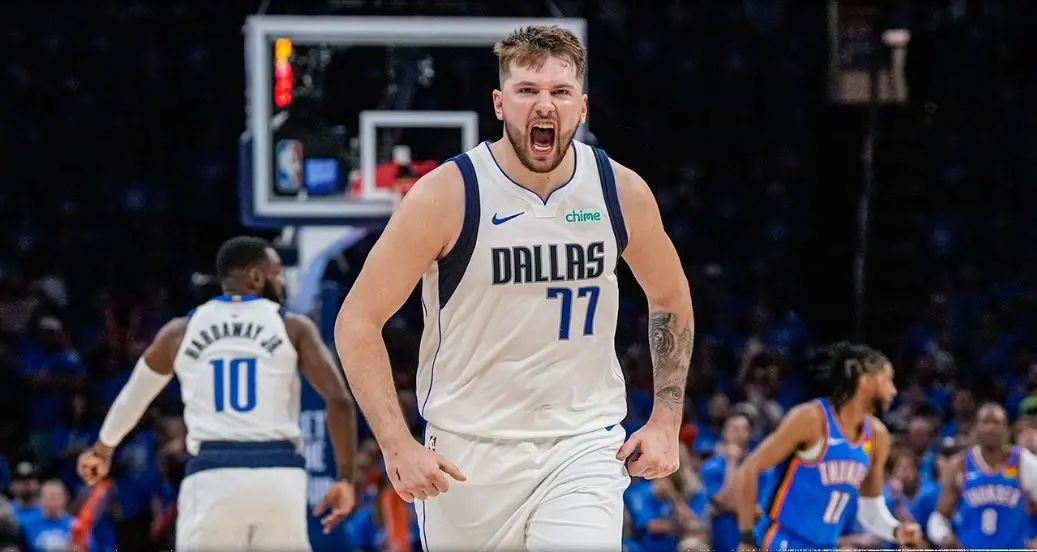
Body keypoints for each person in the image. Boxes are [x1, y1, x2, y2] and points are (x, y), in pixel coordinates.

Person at [334, 24, 694, 551]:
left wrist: (667, 418)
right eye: (528, 91)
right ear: (500, 104)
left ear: (582, 107)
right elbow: (357, 321)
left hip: (581, 445)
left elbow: (670, 298)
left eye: (560, 92)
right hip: (466, 457)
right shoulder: (446, 196)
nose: (544, 106)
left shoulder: (620, 190)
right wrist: (394, 444)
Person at [76, 236, 358, 550]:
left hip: (213, 476)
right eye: (276, 273)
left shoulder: (179, 331)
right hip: (279, 477)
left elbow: (135, 396)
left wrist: (103, 449)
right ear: (255, 278)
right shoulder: (292, 326)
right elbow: (339, 400)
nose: (280, 282)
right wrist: (345, 477)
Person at [730, 341, 924, 551]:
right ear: (866, 382)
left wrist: (895, 530)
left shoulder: (878, 436)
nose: (893, 391)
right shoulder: (812, 419)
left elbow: (870, 509)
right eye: (887, 381)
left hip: (825, 546)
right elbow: (750, 469)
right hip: (781, 541)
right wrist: (747, 537)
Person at [927, 403, 1037, 549]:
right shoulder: (960, 465)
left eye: (997, 423)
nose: (991, 428)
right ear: (977, 428)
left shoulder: (1024, 462)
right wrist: (945, 537)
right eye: (985, 422)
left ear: (1007, 429)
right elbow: (939, 517)